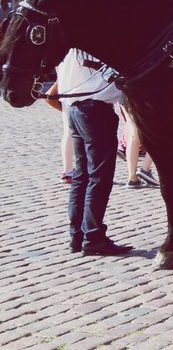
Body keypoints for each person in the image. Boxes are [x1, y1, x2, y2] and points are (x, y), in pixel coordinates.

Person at [54, 50, 131, 256]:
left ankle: (77, 234)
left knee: (82, 175)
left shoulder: (68, 49)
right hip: (94, 109)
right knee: (99, 176)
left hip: (74, 108)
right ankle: (93, 236)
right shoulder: (88, 46)